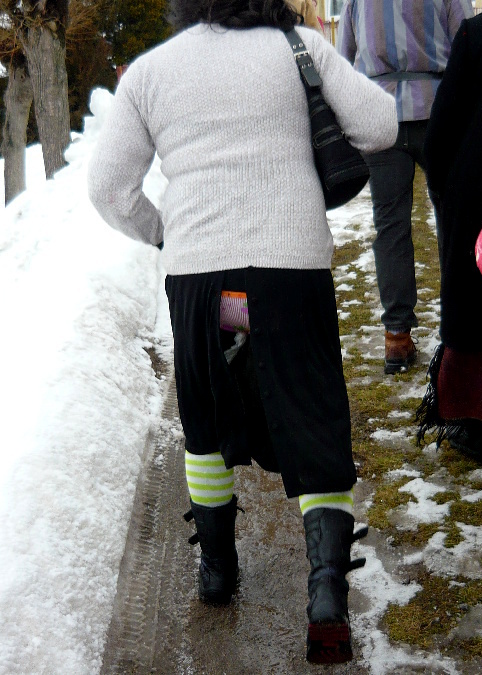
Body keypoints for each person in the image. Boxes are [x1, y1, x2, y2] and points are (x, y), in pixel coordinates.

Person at [87, 0, 397, 664]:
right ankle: (326, 595)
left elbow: (109, 187)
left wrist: (166, 233)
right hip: (289, 271)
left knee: (207, 412)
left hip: (205, 281)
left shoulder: (151, 71)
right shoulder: (297, 45)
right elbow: (379, 124)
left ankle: (217, 571)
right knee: (312, 414)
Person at [336, 0, 473, 375]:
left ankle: (396, 335)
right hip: (439, 110)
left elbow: (342, 60)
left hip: (380, 116)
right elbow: (467, 42)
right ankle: (457, 331)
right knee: (452, 223)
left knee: (391, 225)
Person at [417, 4, 482, 462]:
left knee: (474, 307)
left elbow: (443, 126)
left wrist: (444, 188)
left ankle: (471, 422)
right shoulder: (476, 32)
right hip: (480, 194)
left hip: (479, 195)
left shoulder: (480, 34)